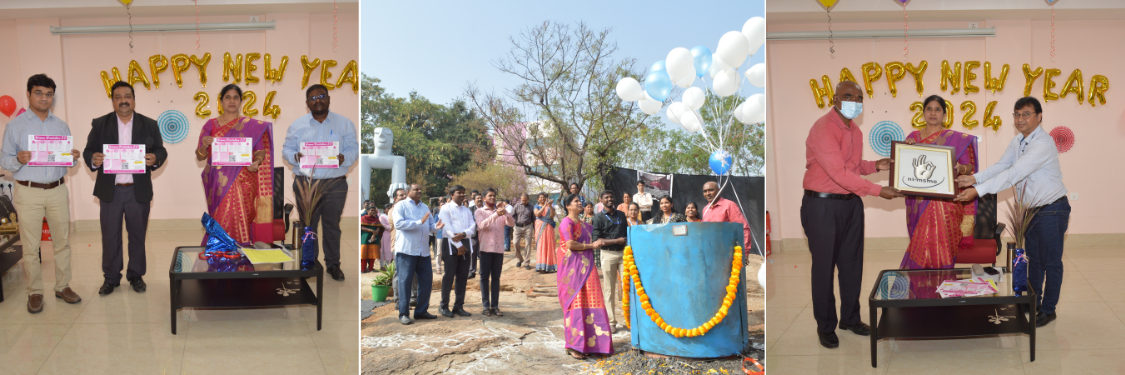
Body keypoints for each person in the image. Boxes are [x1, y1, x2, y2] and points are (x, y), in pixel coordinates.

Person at [801, 80, 901, 349]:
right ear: (835, 99)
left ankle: (850, 319)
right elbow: (838, 173)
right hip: (822, 206)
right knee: (824, 269)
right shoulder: (824, 128)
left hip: (850, 205)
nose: (855, 102)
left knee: (852, 265)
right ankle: (826, 326)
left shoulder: (854, 130)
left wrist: (875, 165)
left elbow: (853, 167)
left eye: (859, 98)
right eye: (848, 96)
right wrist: (878, 191)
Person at [954, 96, 1069, 328]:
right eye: (1017, 114)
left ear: (1039, 117)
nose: (1020, 119)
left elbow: (1015, 173)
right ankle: (1032, 302)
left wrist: (977, 191)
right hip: (1030, 212)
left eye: (1026, 114)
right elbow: (1001, 166)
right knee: (1034, 260)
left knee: (1051, 263)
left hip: (1051, 210)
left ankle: (1048, 309)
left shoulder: (1042, 144)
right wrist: (974, 178)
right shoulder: (1018, 141)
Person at [2, 74, 83, 313]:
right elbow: (4, 159)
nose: (44, 98)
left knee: (62, 243)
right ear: (28, 94)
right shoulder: (15, 126)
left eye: (49, 94)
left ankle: (63, 286)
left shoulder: (61, 125)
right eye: (39, 93)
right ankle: (35, 291)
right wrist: (17, 158)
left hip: (57, 189)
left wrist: (73, 157)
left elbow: (67, 163)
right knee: (30, 246)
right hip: (29, 191)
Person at [83, 81, 167, 295]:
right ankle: (111, 278)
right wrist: (93, 158)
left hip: (137, 190)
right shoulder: (100, 124)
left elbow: (161, 150)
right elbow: (88, 151)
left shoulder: (149, 124)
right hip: (110, 191)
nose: (123, 101)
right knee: (110, 236)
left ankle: (136, 275)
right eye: (118, 97)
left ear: (134, 99)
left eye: (127, 96)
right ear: (113, 101)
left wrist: (155, 157)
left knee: (138, 235)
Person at [282, 84, 359, 281]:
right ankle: (309, 264)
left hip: (334, 183)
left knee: (332, 226)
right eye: (313, 97)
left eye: (322, 96)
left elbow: (353, 149)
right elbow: (286, 150)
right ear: (307, 103)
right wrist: (295, 156)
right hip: (306, 183)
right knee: (309, 226)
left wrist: (344, 157)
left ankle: (333, 265)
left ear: (329, 99)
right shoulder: (297, 125)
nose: (318, 100)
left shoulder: (345, 123)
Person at [898, 95, 979, 270]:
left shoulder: (956, 139)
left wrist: (958, 167)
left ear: (944, 114)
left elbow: (969, 167)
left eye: (937, 109)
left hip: (946, 204)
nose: (933, 113)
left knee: (943, 247)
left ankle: (943, 287)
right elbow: (905, 168)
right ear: (923, 112)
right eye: (929, 109)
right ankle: (919, 290)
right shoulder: (913, 136)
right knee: (920, 245)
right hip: (919, 202)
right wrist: (907, 148)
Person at [196, 84, 273, 246]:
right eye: (228, 97)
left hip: (245, 179)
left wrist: (257, 162)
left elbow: (260, 152)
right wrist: (204, 145)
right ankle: (219, 249)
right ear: (221, 101)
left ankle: (242, 248)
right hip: (219, 183)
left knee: (242, 217)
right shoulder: (210, 125)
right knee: (221, 215)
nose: (232, 101)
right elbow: (200, 156)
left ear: (241, 101)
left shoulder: (251, 126)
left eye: (236, 97)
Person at [557, 193, 614, 359]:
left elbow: (599, 236)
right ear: (568, 206)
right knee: (575, 304)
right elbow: (570, 244)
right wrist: (591, 245)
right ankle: (575, 346)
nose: (580, 203)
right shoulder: (566, 222)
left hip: (587, 267)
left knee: (590, 302)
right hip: (571, 270)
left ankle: (595, 344)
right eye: (576, 201)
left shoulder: (584, 224)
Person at [393, 183, 443, 324]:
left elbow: (431, 226)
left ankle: (421, 311)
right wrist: (418, 222)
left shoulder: (424, 207)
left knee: (426, 281)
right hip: (406, 250)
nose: (419, 191)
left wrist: (436, 228)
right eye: (416, 189)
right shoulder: (401, 206)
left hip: (423, 252)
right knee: (405, 282)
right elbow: (398, 224)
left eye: (421, 189)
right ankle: (403, 314)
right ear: (409, 192)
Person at [592, 190, 628, 333]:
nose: (609, 199)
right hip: (607, 255)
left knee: (628, 287)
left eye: (611, 197)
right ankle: (612, 321)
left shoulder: (621, 215)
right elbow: (596, 240)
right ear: (601, 200)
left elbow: (626, 234)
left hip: (624, 255)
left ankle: (630, 320)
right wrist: (616, 241)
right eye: (606, 197)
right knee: (609, 290)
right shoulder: (598, 218)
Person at [438, 185, 475, 318]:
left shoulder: (467, 210)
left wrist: (464, 234)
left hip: (466, 244)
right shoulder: (445, 208)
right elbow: (447, 228)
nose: (462, 195)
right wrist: (458, 244)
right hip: (450, 245)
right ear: (451, 195)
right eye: (459, 193)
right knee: (449, 276)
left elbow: (473, 226)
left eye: (463, 193)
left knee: (462, 276)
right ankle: (443, 306)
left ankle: (458, 306)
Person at [475, 188, 514, 316]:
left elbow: (511, 224)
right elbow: (481, 226)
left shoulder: (501, 211)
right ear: (484, 198)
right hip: (486, 249)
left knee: (496, 278)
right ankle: (486, 306)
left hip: (498, 250)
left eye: (494, 196)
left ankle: (495, 306)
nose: (492, 198)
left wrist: (506, 213)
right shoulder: (479, 211)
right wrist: (496, 214)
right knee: (484, 278)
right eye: (489, 196)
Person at [534, 192, 558, 273]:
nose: (542, 199)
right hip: (540, 227)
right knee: (541, 245)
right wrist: (544, 206)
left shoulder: (550, 206)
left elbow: (552, 216)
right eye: (540, 197)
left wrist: (550, 206)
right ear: (538, 199)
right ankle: (541, 266)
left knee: (549, 245)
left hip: (549, 227)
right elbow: (537, 213)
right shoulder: (536, 206)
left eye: (544, 197)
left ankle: (550, 266)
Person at [511, 193, 536, 269]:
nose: (523, 202)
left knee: (528, 244)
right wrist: (515, 223)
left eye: (525, 200)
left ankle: (526, 263)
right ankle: (520, 259)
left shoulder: (532, 207)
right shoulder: (517, 206)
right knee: (515, 243)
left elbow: (534, 219)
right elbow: (512, 215)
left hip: (528, 227)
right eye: (522, 200)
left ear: (528, 199)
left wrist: (534, 229)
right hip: (517, 227)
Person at [360, 207, 384, 273]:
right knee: (363, 254)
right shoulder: (363, 218)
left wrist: (374, 234)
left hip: (374, 238)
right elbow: (362, 227)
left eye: (374, 211)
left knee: (372, 254)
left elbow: (379, 228)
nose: (373, 212)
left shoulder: (376, 219)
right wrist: (372, 231)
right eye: (371, 210)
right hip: (364, 238)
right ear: (367, 211)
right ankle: (363, 269)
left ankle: (371, 269)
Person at [467, 192, 484, 279]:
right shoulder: (470, 210)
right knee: (472, 253)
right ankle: (471, 271)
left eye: (481, 198)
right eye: (477, 198)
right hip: (473, 235)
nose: (479, 200)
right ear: (474, 200)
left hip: (484, 234)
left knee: (483, 253)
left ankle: (483, 271)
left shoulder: (486, 209)